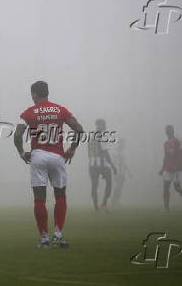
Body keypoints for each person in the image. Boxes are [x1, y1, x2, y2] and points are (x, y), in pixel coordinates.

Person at [14, 81, 84, 248]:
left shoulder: (29, 112)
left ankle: (44, 238)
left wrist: (22, 153)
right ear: (47, 93)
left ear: (34, 94)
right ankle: (58, 234)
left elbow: (17, 135)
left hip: (38, 156)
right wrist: (72, 148)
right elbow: (79, 129)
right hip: (57, 157)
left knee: (39, 198)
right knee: (60, 195)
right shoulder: (60, 110)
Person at [159, 125, 182, 211]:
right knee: (165, 186)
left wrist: (178, 164)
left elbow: (181, 153)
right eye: (166, 131)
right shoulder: (166, 144)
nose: (167, 132)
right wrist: (162, 169)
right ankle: (166, 208)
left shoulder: (178, 141)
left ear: (172, 131)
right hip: (168, 168)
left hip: (178, 168)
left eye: (169, 130)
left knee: (177, 187)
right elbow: (165, 157)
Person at [87, 119, 117, 212]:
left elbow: (89, 151)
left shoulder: (91, 136)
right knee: (109, 182)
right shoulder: (102, 136)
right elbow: (105, 152)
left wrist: (92, 160)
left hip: (92, 165)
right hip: (102, 165)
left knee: (94, 185)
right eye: (103, 125)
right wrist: (112, 165)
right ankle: (103, 204)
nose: (105, 126)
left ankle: (96, 207)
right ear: (99, 125)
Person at [111, 138, 132, 206]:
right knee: (118, 186)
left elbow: (124, 163)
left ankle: (116, 201)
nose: (124, 145)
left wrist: (128, 172)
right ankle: (114, 201)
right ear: (120, 144)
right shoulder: (118, 152)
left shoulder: (121, 152)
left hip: (120, 172)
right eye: (122, 143)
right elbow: (118, 163)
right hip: (118, 172)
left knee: (119, 187)